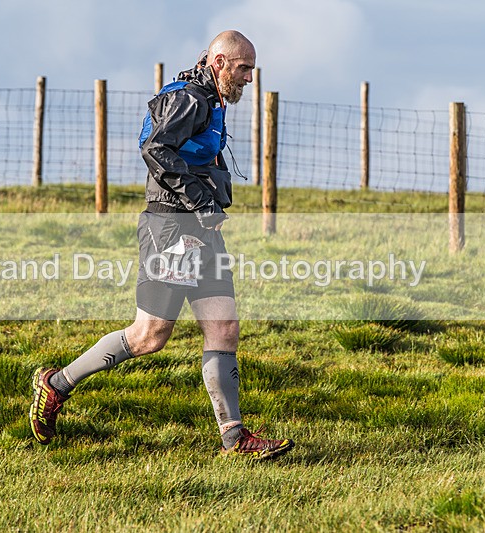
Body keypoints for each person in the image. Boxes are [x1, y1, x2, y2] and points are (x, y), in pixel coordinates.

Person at [30, 30, 294, 460]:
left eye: (251, 69)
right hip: (173, 228)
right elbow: (155, 149)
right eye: (244, 68)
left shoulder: (209, 99)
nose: (249, 77)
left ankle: (234, 439)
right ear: (219, 62)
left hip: (202, 229)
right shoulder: (190, 99)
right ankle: (56, 385)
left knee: (224, 327)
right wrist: (200, 202)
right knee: (149, 335)